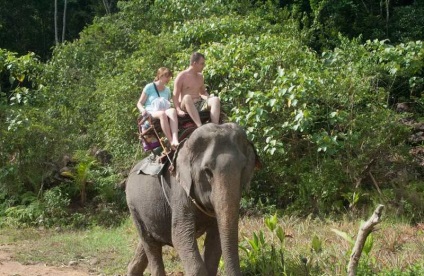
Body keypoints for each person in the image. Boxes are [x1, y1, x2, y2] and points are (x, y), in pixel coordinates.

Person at [173, 52, 221, 127]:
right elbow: (175, 96)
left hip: (199, 103)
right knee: (187, 97)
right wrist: (178, 110)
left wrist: (209, 98)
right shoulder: (181, 76)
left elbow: (202, 92)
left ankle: (215, 126)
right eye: (202, 64)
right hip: (186, 105)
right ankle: (200, 126)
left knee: (215, 99)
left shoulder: (200, 76)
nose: (203, 66)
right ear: (194, 63)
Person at [137, 67, 179, 149]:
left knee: (172, 111)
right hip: (151, 113)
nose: (168, 79)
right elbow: (139, 103)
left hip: (164, 110)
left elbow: (167, 103)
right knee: (162, 114)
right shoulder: (149, 87)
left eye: (169, 77)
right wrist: (142, 110)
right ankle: (171, 142)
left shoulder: (167, 90)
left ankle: (175, 138)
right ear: (160, 76)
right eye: (167, 76)